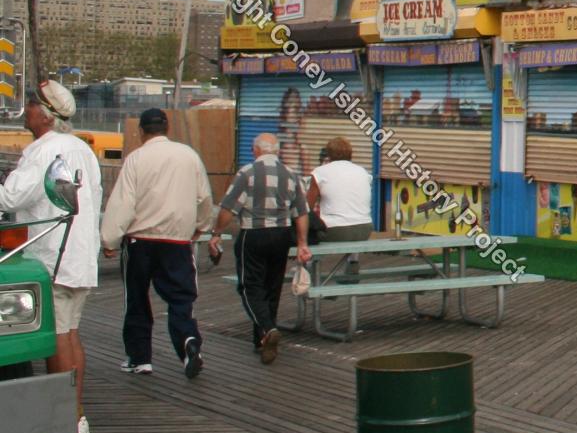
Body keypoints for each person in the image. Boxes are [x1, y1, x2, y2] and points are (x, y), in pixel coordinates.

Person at [0, 81, 101, 433]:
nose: (26, 110)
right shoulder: (82, 149)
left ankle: (64, 424)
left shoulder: (43, 151)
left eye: (30, 105)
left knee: (57, 335)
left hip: (53, 255)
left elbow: (11, 196)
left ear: (43, 115)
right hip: (79, 255)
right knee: (71, 333)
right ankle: (76, 419)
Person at [101, 108, 215, 380]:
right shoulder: (189, 156)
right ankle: (188, 341)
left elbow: (124, 203)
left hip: (140, 240)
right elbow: (204, 197)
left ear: (141, 131)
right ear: (168, 128)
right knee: (180, 297)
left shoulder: (136, 159)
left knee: (137, 298)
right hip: (177, 240)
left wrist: (110, 239)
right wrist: (202, 225)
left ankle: (140, 359)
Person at [212, 132, 310, 365]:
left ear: (255, 150)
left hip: (253, 234)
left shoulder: (246, 173)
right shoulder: (291, 174)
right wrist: (302, 243)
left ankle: (267, 329)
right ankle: (262, 341)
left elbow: (228, 208)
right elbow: (302, 212)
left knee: (249, 286)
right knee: (272, 286)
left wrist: (216, 233)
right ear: (277, 152)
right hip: (282, 235)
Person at [307, 136, 373, 244]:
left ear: (328, 154)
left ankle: (308, 260)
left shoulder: (320, 172)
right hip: (365, 229)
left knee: (303, 228)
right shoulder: (362, 171)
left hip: (335, 230)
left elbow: (307, 206)